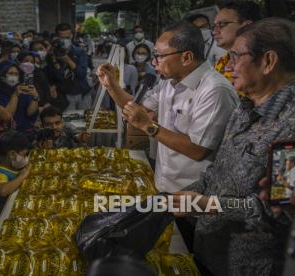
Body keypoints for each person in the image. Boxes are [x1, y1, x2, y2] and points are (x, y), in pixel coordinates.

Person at [170, 17, 295, 275]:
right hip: (210, 250)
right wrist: (173, 200)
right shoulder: (245, 107)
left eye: (236, 56)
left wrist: (208, 205)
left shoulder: (290, 128)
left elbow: (278, 209)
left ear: (268, 61)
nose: (228, 65)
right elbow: (218, 171)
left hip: (248, 265)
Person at [97, 22, 238, 193]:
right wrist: (112, 86)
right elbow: (137, 106)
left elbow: (198, 150)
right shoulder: (169, 83)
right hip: (165, 184)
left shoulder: (215, 90)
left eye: (159, 56)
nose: (153, 61)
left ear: (186, 57)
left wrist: (148, 126)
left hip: (194, 195)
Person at [0, 130, 31, 229]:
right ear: (12, 154)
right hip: (1, 217)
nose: (26, 158)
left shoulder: (13, 165)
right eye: (24, 155)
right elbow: (2, 191)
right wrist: (22, 176)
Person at [213, 1, 262, 87]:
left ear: (247, 25)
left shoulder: (262, 60)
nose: (214, 32)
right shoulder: (220, 64)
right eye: (215, 26)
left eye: (222, 24)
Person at [47, 23, 91, 111]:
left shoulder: (79, 52)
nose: (65, 40)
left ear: (71, 35)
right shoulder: (52, 54)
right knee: (69, 122)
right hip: (66, 95)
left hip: (83, 92)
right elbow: (56, 77)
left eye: (67, 37)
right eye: (62, 38)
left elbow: (82, 74)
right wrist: (53, 58)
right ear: (57, 38)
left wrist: (68, 61)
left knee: (86, 121)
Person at [0, 61, 39, 136]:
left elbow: (30, 113)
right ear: (2, 75)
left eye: (16, 74)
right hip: (7, 135)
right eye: (10, 73)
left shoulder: (21, 88)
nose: (14, 76)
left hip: (25, 132)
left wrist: (35, 97)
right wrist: (15, 95)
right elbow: (7, 116)